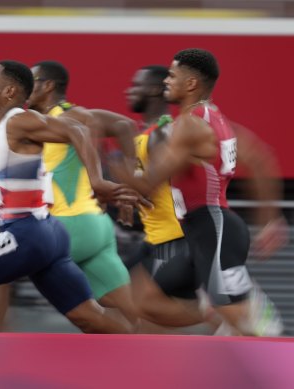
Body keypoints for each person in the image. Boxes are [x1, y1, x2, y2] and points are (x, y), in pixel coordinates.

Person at [0, 60, 139, 333]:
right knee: (89, 317)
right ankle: (140, 355)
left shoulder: (21, 121)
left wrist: (97, 181)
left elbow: (78, 130)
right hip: (48, 234)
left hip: (28, 233)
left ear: (9, 91)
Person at [113, 48, 285, 336]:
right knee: (143, 298)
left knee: (246, 325)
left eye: (172, 75)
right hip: (195, 232)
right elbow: (259, 158)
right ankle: (212, 309)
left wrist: (112, 164)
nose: (166, 81)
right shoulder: (214, 118)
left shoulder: (189, 126)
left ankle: (255, 321)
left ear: (191, 84)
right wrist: (270, 220)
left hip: (213, 228)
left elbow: (146, 185)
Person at [125, 65, 213, 331]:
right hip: (153, 237)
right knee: (126, 304)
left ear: (153, 90)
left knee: (138, 303)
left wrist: (121, 182)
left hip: (172, 237)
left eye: (136, 85)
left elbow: (154, 183)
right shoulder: (146, 133)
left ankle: (216, 312)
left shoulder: (165, 133)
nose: (128, 90)